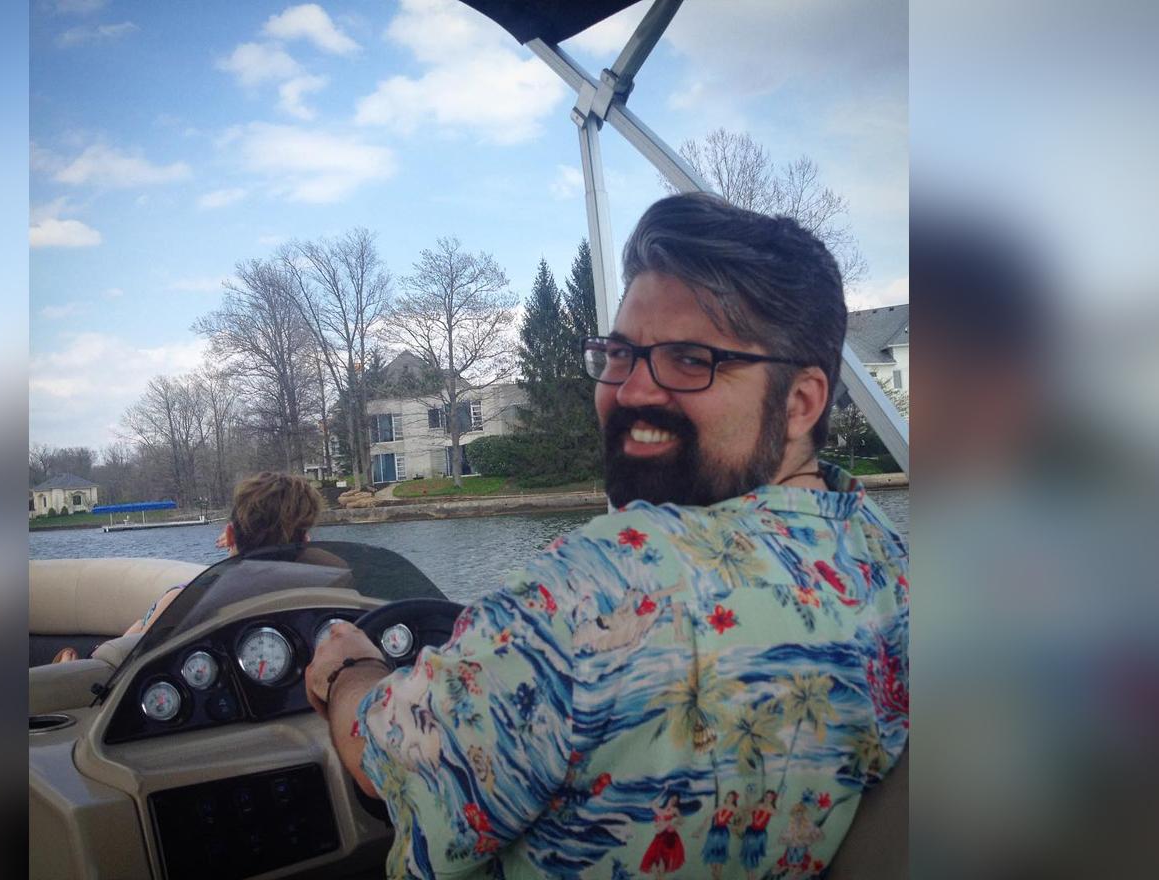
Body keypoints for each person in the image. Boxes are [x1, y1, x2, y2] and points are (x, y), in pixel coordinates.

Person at [305, 193, 909, 878]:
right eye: (621, 353)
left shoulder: (602, 587)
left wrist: (351, 670)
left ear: (801, 402)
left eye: (689, 360)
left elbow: (383, 761)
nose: (632, 391)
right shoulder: (883, 556)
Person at [52, 471, 327, 662]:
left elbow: (117, 665)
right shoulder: (329, 600)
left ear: (229, 536)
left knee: (104, 641)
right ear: (306, 541)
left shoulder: (183, 601)